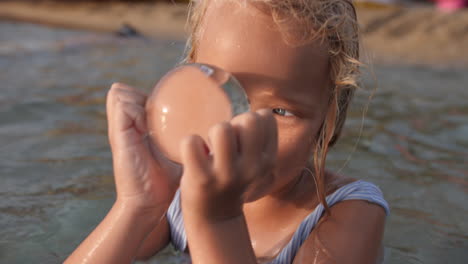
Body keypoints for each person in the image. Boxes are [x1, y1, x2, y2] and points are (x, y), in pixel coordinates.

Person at [65, 0, 390, 263]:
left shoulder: (349, 212)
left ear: (328, 116)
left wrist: (217, 221)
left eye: (280, 111)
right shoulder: (176, 194)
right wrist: (138, 205)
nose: (242, 130)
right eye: (226, 96)